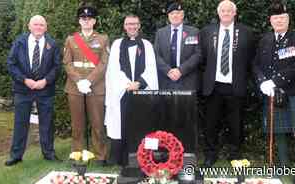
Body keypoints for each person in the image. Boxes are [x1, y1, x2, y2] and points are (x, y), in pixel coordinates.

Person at [253, 1, 295, 183]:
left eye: (282, 17)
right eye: (275, 18)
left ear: (288, 19)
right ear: (270, 20)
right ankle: (284, 166)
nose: (278, 21)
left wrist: (276, 80)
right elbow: (255, 64)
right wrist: (263, 81)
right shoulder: (265, 39)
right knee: (278, 131)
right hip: (273, 92)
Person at [200, 0, 255, 167]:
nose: (225, 13)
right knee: (210, 123)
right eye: (222, 10)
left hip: (235, 85)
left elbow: (251, 59)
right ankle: (210, 155)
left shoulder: (246, 32)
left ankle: (234, 154)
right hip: (213, 85)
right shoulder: (207, 31)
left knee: (236, 123)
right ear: (218, 13)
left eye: (229, 10)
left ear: (234, 13)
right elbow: (202, 58)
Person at [5, 15, 61, 166]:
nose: (38, 27)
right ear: (29, 26)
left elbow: (57, 67)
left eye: (41, 25)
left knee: (47, 123)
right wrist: (24, 80)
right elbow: (11, 64)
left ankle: (48, 153)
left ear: (46, 27)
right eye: (35, 24)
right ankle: (16, 155)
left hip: (45, 90)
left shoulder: (53, 44)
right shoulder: (19, 42)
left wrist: (45, 81)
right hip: (23, 89)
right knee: (20, 122)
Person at [104, 15, 158, 166]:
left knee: (144, 124)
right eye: (128, 24)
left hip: (142, 91)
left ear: (139, 25)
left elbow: (152, 68)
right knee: (121, 124)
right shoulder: (117, 44)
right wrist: (127, 84)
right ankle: (121, 159)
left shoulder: (146, 44)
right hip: (123, 92)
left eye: (134, 24)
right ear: (124, 26)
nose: (132, 27)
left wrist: (139, 83)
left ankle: (144, 158)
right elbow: (113, 69)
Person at [63, 5, 109, 166]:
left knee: (97, 123)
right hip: (75, 87)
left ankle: (100, 155)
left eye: (89, 18)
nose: (86, 21)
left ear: (94, 21)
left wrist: (89, 81)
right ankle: (77, 154)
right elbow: (67, 63)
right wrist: (79, 81)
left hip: (96, 87)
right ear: (79, 21)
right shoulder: (70, 40)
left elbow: (104, 63)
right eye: (83, 18)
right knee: (77, 124)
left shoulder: (103, 39)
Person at [154, 2, 200, 90]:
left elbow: (197, 55)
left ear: (182, 15)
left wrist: (180, 70)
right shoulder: (160, 33)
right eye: (172, 13)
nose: (175, 16)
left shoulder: (193, 32)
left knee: (186, 104)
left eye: (178, 13)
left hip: (187, 79)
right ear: (168, 16)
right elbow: (156, 55)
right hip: (165, 79)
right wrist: (168, 71)